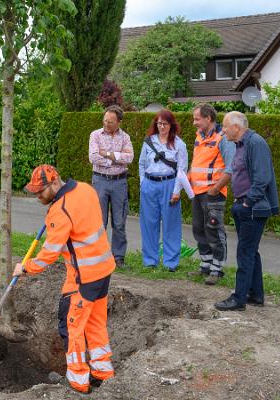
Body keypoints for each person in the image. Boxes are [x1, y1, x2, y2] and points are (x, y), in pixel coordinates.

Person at [13, 165, 115, 394]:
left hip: (85, 277)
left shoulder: (59, 211)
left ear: (55, 182)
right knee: (95, 323)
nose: (37, 196)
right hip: (103, 269)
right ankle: (103, 372)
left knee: (72, 327)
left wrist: (25, 268)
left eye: (40, 191)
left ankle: (78, 382)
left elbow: (49, 254)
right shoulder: (85, 189)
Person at [215, 112, 279, 311]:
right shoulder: (240, 144)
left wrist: (248, 202)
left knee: (245, 252)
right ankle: (256, 294)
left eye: (225, 126)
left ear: (236, 127)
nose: (223, 130)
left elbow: (262, 178)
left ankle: (239, 298)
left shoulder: (255, 143)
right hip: (244, 205)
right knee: (251, 252)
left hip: (252, 207)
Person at [188, 103, 236, 285]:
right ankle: (206, 265)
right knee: (198, 229)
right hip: (198, 193)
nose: (194, 123)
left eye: (197, 119)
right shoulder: (199, 136)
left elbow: (231, 168)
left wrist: (215, 189)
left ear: (208, 118)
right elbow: (198, 163)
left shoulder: (222, 138)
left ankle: (217, 269)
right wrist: (189, 175)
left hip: (213, 193)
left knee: (214, 229)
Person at [138, 109, 188, 271]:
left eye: (165, 123)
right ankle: (150, 260)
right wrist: (143, 183)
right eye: (159, 123)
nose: (161, 126)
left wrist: (176, 191)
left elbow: (182, 170)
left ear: (171, 125)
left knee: (171, 224)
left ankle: (170, 262)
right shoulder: (148, 142)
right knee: (149, 223)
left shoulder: (179, 144)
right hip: (149, 184)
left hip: (169, 184)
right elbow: (141, 164)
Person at [89, 105, 133, 268]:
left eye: (111, 122)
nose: (107, 124)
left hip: (120, 182)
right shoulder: (95, 135)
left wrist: (106, 154)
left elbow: (129, 158)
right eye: (105, 120)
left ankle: (118, 257)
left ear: (119, 122)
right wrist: (114, 159)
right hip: (100, 180)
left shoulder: (125, 138)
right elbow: (93, 157)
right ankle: (99, 256)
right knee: (99, 221)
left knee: (119, 221)